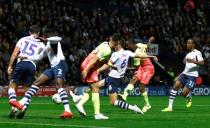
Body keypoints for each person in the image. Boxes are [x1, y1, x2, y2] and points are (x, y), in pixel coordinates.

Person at [10, 29, 73, 119]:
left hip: (60, 64)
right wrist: (27, 57)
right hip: (53, 67)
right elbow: (39, 56)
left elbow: (58, 38)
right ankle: (22, 102)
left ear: (47, 36)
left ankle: (68, 111)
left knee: (59, 87)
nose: (42, 37)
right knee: (36, 83)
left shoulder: (54, 42)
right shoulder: (47, 45)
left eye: (44, 36)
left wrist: (46, 39)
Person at [93, 38, 157, 114]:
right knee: (95, 86)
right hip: (114, 77)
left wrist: (110, 66)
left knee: (113, 102)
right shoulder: (128, 52)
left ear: (119, 45)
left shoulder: (115, 54)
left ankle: (133, 107)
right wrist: (152, 56)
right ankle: (91, 109)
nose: (114, 46)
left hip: (114, 78)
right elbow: (140, 54)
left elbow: (109, 63)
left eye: (116, 44)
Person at [75, 33, 121, 120]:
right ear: (117, 42)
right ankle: (96, 114)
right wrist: (86, 69)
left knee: (94, 88)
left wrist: (111, 65)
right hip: (90, 66)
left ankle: (80, 103)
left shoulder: (105, 44)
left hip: (89, 65)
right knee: (96, 88)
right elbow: (95, 58)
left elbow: (105, 59)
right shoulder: (107, 50)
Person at [7, 25, 45, 118]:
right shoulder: (41, 44)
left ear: (29, 32)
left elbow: (15, 53)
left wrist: (10, 66)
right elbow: (40, 58)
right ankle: (24, 107)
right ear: (39, 33)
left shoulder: (23, 39)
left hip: (21, 63)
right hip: (32, 65)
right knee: (28, 89)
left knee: (12, 84)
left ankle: (14, 107)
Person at [162, 38, 204, 112]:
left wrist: (192, 61)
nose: (187, 44)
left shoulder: (197, 52)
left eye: (189, 43)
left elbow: (202, 62)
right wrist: (180, 74)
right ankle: (169, 107)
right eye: (187, 43)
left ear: (193, 44)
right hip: (184, 74)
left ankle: (188, 96)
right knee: (175, 86)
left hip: (192, 76)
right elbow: (187, 67)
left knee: (183, 93)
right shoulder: (187, 54)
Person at [118, 36, 156, 113]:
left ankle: (147, 105)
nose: (127, 46)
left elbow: (136, 67)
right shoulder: (140, 44)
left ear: (131, 44)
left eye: (127, 45)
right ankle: (124, 95)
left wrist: (126, 69)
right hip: (142, 68)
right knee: (134, 79)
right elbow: (147, 46)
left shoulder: (136, 55)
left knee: (141, 87)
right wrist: (149, 41)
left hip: (148, 68)